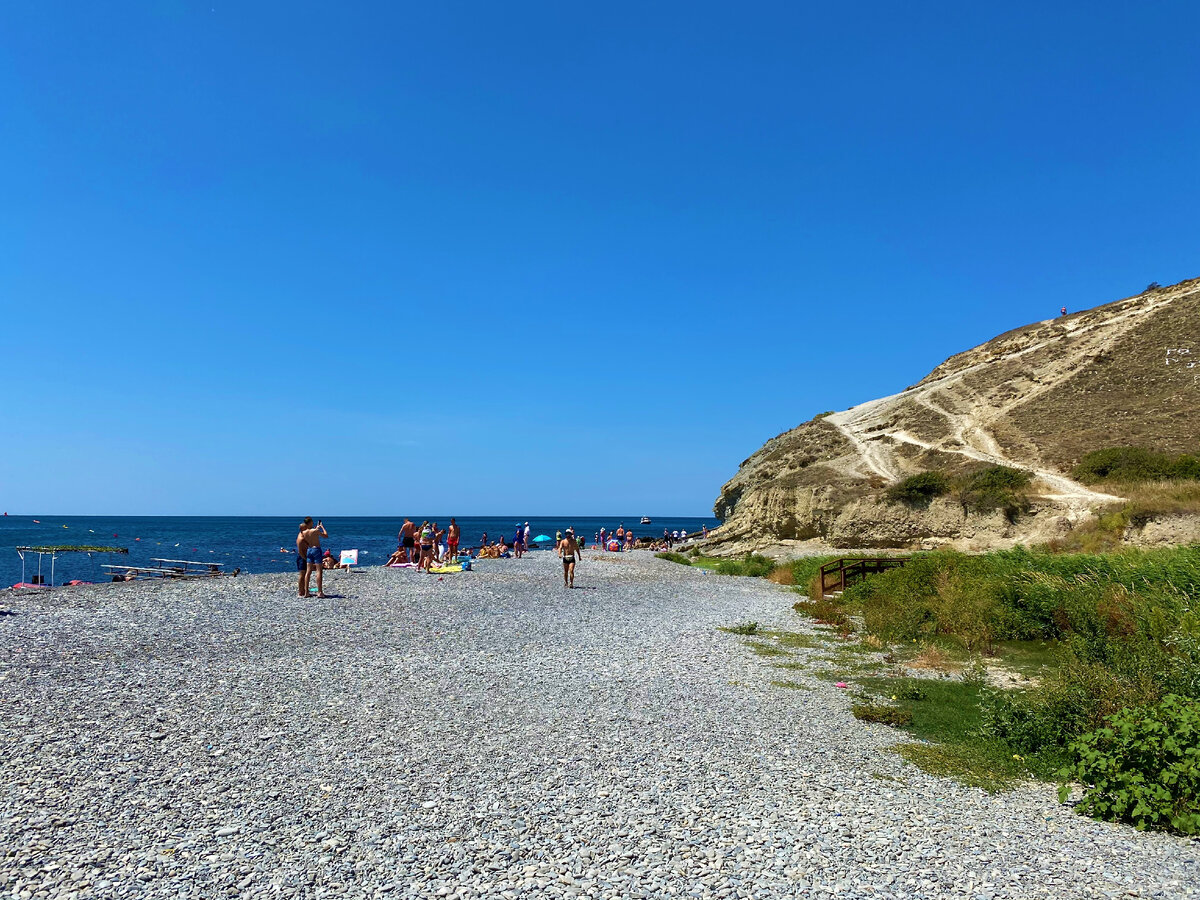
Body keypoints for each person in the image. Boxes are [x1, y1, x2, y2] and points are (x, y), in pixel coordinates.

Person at [300, 518, 329, 598]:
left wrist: (317, 528)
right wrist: (322, 527)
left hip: (309, 550)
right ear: (310, 522)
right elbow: (325, 535)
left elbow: (311, 533)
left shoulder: (303, 532)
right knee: (318, 571)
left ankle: (306, 592)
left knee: (308, 571)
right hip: (316, 549)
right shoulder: (315, 531)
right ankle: (319, 592)